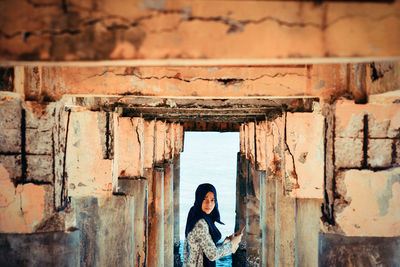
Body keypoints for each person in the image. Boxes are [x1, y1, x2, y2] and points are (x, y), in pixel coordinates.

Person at [183, 183, 243, 267]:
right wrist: (232, 244)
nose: (209, 204)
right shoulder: (200, 223)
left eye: (212, 200)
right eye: (205, 199)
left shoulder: (194, 213)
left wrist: (224, 243)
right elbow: (212, 255)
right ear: (199, 199)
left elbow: (204, 247)